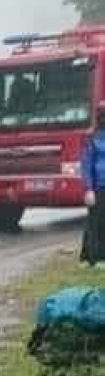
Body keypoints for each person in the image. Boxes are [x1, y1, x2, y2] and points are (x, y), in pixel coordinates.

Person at [79, 102, 105, 266]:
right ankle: (92, 257)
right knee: (95, 221)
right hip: (98, 186)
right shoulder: (92, 137)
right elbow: (86, 164)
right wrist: (88, 189)